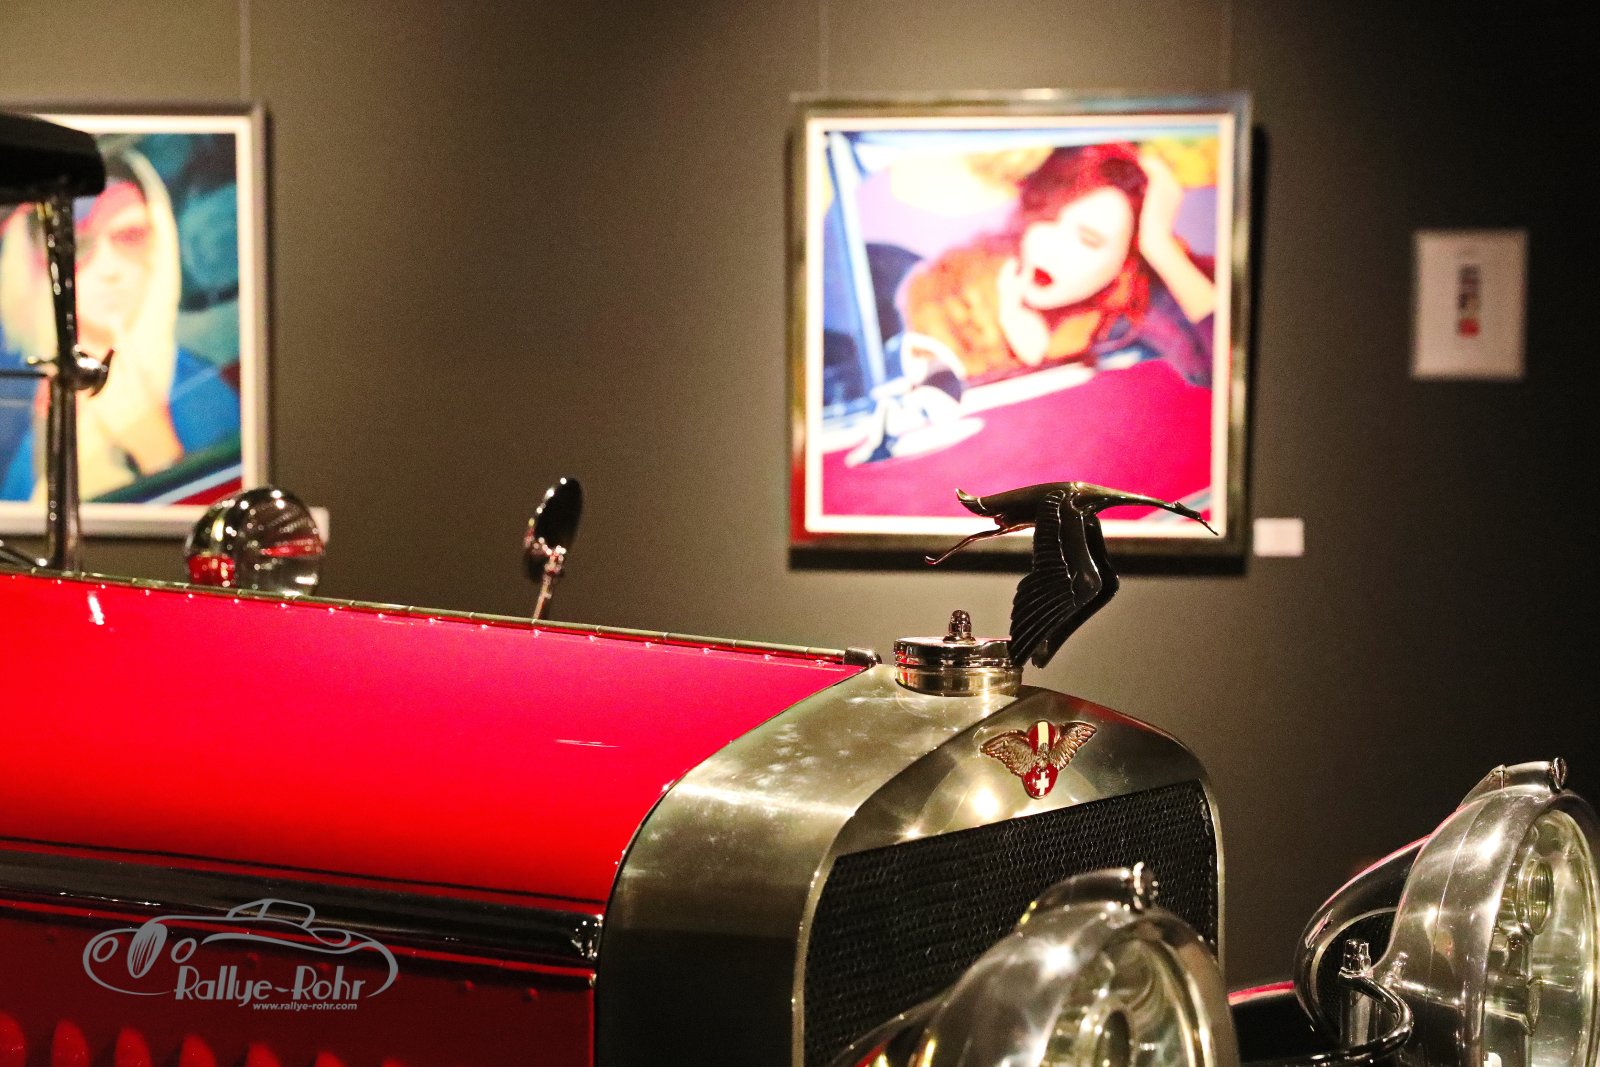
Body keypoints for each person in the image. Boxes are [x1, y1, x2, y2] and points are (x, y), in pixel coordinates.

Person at [0, 145, 240, 501]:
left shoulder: (200, 391)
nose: (110, 268)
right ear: (38, 256)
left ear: (157, 242)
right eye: (78, 243)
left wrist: (157, 449)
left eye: (129, 237)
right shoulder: (15, 386)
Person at [895, 141, 1217, 388]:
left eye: (1089, 239)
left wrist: (1160, 245)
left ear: (1125, 262)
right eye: (1047, 218)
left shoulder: (1132, 315)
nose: (1053, 248)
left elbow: (1229, 373)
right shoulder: (960, 284)